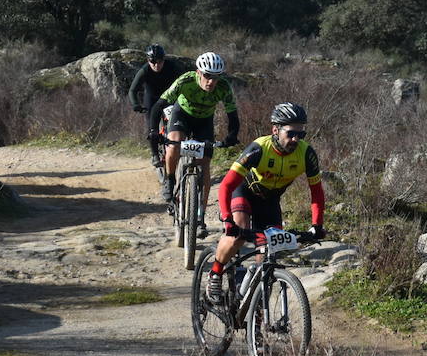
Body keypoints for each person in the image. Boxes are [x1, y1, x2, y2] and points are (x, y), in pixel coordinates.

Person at [205, 102, 326, 301]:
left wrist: (317, 225)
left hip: (269, 201)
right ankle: (215, 273)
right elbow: (226, 185)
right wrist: (227, 219)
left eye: (301, 134)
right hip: (244, 192)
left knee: (267, 258)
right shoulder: (259, 148)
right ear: (275, 130)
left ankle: (257, 316)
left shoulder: (306, 153)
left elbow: (317, 193)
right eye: (290, 133)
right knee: (239, 235)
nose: (296, 139)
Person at [148, 51, 239, 232]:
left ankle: (200, 215)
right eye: (207, 76)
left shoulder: (224, 88)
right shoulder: (185, 81)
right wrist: (153, 131)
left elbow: (233, 116)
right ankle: (171, 180)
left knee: (205, 164)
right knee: (174, 142)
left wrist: (231, 136)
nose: (211, 81)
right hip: (182, 115)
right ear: (198, 72)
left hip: (204, 122)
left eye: (216, 77)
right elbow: (159, 105)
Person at [128, 44, 181, 166]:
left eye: (160, 61)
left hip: (169, 98)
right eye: (153, 61)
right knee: (153, 130)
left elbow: (185, 79)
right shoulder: (144, 70)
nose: (157, 65)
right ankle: (155, 155)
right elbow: (132, 90)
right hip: (151, 100)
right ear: (148, 60)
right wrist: (135, 104)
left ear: (164, 60)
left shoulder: (172, 67)